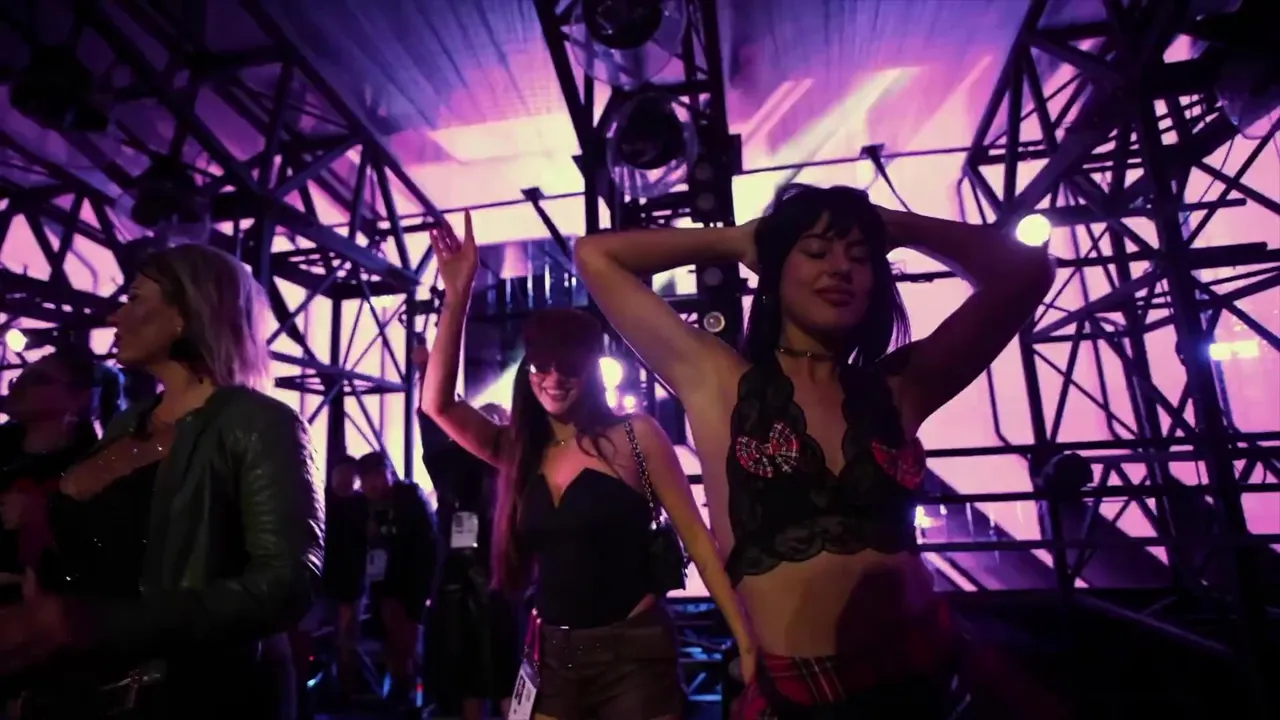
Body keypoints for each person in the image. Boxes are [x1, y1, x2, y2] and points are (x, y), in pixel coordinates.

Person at [574, 183, 1059, 718]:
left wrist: (898, 226)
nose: (840, 268)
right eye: (815, 250)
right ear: (776, 270)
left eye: (860, 257)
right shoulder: (718, 381)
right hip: (804, 697)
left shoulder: (900, 387)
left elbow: (1028, 272)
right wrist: (738, 241)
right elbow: (596, 256)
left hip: (930, 676)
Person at [420, 212, 755, 720]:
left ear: (591, 370)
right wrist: (458, 293)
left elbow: (701, 546)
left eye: (569, 366)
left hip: (633, 656)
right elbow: (438, 404)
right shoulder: (522, 450)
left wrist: (747, 643)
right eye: (542, 366)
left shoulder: (635, 436)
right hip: (552, 657)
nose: (554, 378)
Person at [0, 242, 323, 720]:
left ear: (185, 315)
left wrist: (94, 623)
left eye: (134, 299)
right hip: (87, 687)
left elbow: (285, 584)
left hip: (193, 697)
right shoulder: (126, 424)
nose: (115, 316)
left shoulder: (258, 422)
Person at [416, 344, 517, 720]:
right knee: (467, 677)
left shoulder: (514, 467)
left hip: (503, 581)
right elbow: (430, 422)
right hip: (457, 583)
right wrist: (425, 372)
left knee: (506, 672)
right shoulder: (449, 463)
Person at [0, 345, 122, 605]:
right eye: (21, 376)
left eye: (37, 379)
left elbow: (107, 561)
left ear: (79, 398)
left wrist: (45, 521)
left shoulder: (94, 471)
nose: (18, 385)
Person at [350, 451, 437, 711]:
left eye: (376, 475)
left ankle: (408, 693)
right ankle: (401, 690)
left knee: (404, 639)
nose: (371, 484)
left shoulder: (408, 498)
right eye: (366, 478)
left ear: (388, 473)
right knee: (391, 641)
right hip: (381, 584)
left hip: (408, 583)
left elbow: (423, 543)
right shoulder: (364, 506)